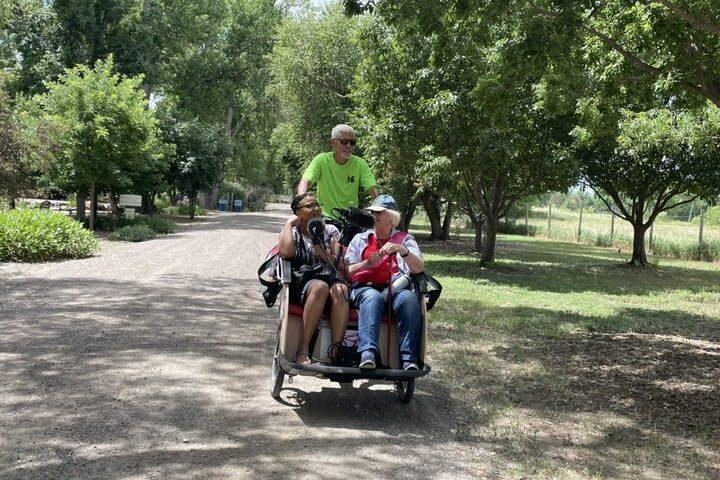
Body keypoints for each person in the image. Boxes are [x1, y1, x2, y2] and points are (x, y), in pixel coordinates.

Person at [345, 194, 425, 370]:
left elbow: (419, 268)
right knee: (372, 297)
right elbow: (348, 271)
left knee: (409, 300)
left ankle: (409, 360)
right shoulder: (361, 238)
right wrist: (367, 263)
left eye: (378, 212)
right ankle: (368, 353)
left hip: (396, 288)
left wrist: (401, 250)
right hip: (365, 288)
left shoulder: (405, 240)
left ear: (391, 217)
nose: (373, 215)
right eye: (372, 212)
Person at [279, 193, 349, 365]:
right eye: (310, 206)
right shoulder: (292, 232)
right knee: (320, 287)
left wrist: (326, 256)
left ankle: (335, 351)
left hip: (328, 276)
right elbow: (286, 253)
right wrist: (288, 224)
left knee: (342, 290)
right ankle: (303, 350)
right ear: (298, 212)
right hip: (303, 280)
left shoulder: (330, 231)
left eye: (317, 204)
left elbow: (341, 263)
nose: (316, 208)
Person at [297, 124, 379, 220]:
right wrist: (300, 203)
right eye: (343, 142)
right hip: (325, 219)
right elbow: (305, 182)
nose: (348, 146)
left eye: (352, 142)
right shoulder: (322, 160)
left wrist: (380, 210)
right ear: (333, 143)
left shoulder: (360, 163)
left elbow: (372, 189)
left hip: (351, 220)